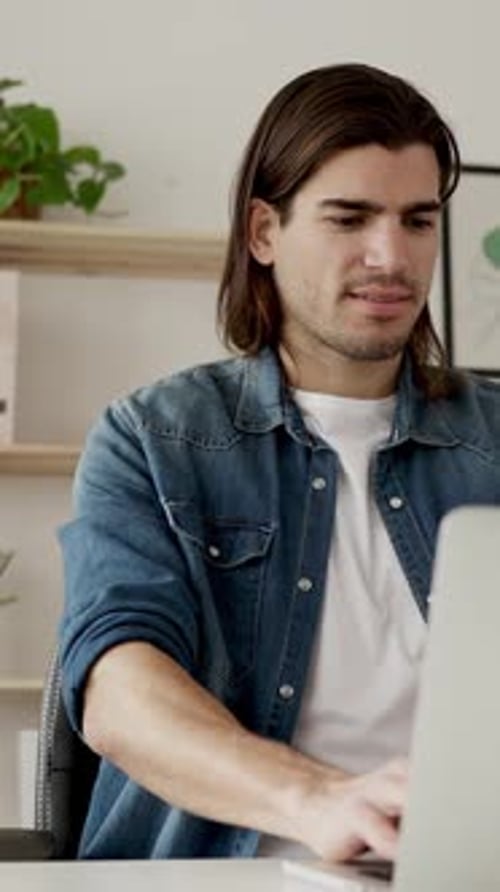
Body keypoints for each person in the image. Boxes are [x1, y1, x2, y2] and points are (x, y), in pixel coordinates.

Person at [58, 62, 500, 862]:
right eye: (349, 218)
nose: (390, 256)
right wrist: (319, 798)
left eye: (417, 220)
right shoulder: (153, 439)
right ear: (264, 232)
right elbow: (118, 691)